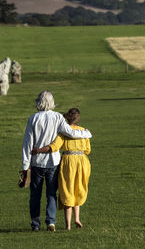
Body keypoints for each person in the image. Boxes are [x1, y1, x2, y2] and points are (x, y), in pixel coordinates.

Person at [21, 91, 92, 232]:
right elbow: (70, 132)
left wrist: (25, 166)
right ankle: (51, 222)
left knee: (35, 195)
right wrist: (87, 133)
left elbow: (27, 144)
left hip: (36, 163)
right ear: (52, 102)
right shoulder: (58, 117)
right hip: (53, 162)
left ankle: (35, 224)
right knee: (51, 194)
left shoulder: (33, 119)